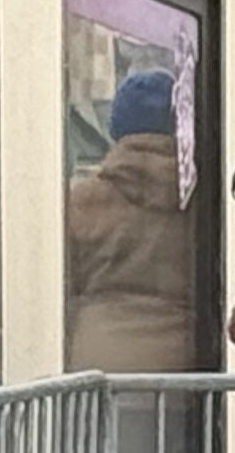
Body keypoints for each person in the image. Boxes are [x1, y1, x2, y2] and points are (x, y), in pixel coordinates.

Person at [65, 68, 198, 376]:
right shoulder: (200, 204)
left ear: (116, 129)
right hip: (183, 370)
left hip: (97, 370)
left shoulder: (82, 201)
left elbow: (66, 286)